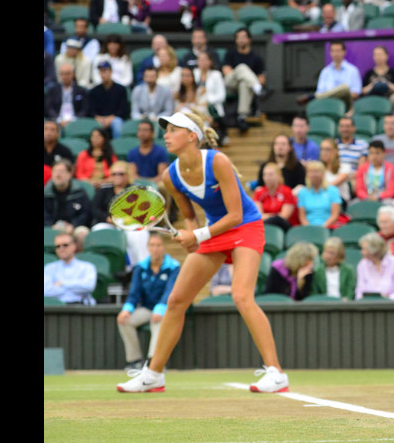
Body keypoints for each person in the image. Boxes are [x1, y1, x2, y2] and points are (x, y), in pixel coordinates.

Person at [117, 110, 290, 394]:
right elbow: (189, 216)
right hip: (215, 232)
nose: (166, 135)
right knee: (176, 300)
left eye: (172, 130)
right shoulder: (170, 176)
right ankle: (154, 374)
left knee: (241, 295)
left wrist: (197, 235)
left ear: (191, 136)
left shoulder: (218, 161)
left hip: (246, 226)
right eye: (166, 130)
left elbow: (235, 215)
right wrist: (193, 235)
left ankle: (276, 372)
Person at [116, 233, 179, 371]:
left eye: (158, 245)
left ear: (164, 247)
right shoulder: (140, 267)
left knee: (157, 320)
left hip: (165, 310)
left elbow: (170, 291)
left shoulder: (174, 267)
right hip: (146, 308)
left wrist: (160, 309)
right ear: (148, 247)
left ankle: (153, 362)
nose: (155, 249)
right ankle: (135, 361)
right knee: (124, 320)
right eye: (152, 245)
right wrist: (127, 309)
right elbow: (134, 292)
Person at [222, 28, 267, 132]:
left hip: (245, 87)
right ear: (236, 40)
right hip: (230, 84)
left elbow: (262, 79)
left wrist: (247, 80)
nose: (241, 40)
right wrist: (246, 75)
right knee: (242, 67)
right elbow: (227, 72)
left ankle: (242, 117)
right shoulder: (230, 54)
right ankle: (258, 90)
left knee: (244, 84)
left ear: (249, 39)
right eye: (239, 37)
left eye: (243, 37)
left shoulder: (257, 58)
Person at [300, 41, 362, 108]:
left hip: (346, 104)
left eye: (338, 51)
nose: (335, 54)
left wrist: (338, 96)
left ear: (344, 52)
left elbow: (356, 94)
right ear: (330, 53)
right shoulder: (325, 71)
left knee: (345, 88)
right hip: (328, 104)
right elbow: (320, 92)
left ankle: (312, 97)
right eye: (333, 51)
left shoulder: (353, 70)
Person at [44, 232, 97, 305]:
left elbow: (89, 286)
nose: (61, 249)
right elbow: (46, 291)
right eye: (58, 246)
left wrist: (62, 283)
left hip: (81, 308)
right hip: (56, 309)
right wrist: (76, 288)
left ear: (74, 246)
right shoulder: (49, 268)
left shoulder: (87, 267)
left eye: (65, 245)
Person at [356, 232, 394, 300]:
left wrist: (386, 299)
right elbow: (359, 292)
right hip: (368, 306)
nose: (362, 252)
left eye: (364, 249)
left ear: (374, 251)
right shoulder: (362, 265)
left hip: (392, 306)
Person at [297, 161, 344, 229]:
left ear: (323, 173)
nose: (314, 174)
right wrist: (309, 228)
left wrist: (322, 227)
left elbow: (335, 215)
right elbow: (302, 217)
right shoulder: (303, 192)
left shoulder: (332, 190)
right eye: (311, 172)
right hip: (308, 228)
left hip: (329, 227)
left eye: (316, 171)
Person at [253, 161, 297, 233]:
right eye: (265, 175)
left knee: (277, 220)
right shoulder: (259, 192)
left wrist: (268, 216)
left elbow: (284, 216)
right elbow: (258, 216)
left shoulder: (287, 191)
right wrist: (273, 216)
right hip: (265, 225)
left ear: (279, 176)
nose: (267, 178)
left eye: (270, 175)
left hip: (284, 227)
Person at [46, 62, 90, 128]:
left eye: (67, 74)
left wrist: (74, 119)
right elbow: (49, 108)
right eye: (62, 74)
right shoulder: (53, 90)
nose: (64, 76)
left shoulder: (81, 90)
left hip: (76, 120)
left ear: (73, 74)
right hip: (57, 120)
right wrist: (58, 120)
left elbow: (84, 109)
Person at [319, 138, 353, 203]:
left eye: (327, 149)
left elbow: (333, 185)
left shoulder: (344, 167)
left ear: (335, 151)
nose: (324, 152)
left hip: (339, 200)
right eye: (322, 149)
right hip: (321, 198)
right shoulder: (319, 167)